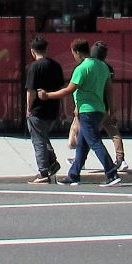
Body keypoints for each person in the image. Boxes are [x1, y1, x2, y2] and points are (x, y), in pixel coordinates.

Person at [39, 39, 120, 186]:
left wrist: (47, 96)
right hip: (99, 110)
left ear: (77, 52)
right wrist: (112, 111)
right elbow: (109, 90)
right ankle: (74, 175)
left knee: (94, 142)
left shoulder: (82, 68)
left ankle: (112, 173)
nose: (74, 57)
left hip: (86, 111)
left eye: (73, 54)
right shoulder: (103, 66)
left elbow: (68, 89)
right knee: (82, 144)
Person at [24, 35, 67, 183]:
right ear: (46, 49)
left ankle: (43, 172)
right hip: (53, 108)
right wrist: (63, 110)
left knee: (38, 141)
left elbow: (31, 92)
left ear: (32, 51)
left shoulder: (34, 67)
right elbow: (62, 89)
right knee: (43, 136)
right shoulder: (56, 66)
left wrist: (28, 108)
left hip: (38, 110)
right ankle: (52, 162)